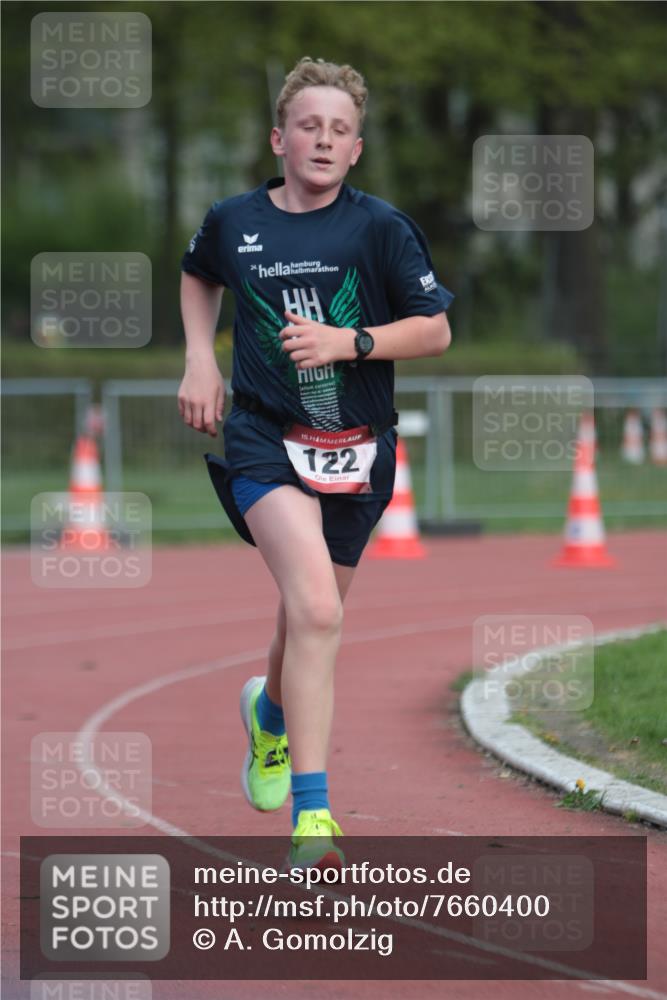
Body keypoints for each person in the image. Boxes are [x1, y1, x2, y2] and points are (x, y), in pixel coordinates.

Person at [178, 57, 453, 872]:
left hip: (358, 450)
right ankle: (314, 817)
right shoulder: (234, 220)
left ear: (356, 148)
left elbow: (434, 330)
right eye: (308, 125)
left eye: (338, 129)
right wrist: (200, 359)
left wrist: (351, 342)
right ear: (279, 138)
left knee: (310, 614)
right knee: (321, 616)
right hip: (264, 436)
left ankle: (268, 713)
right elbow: (197, 277)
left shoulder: (381, 229)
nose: (323, 139)